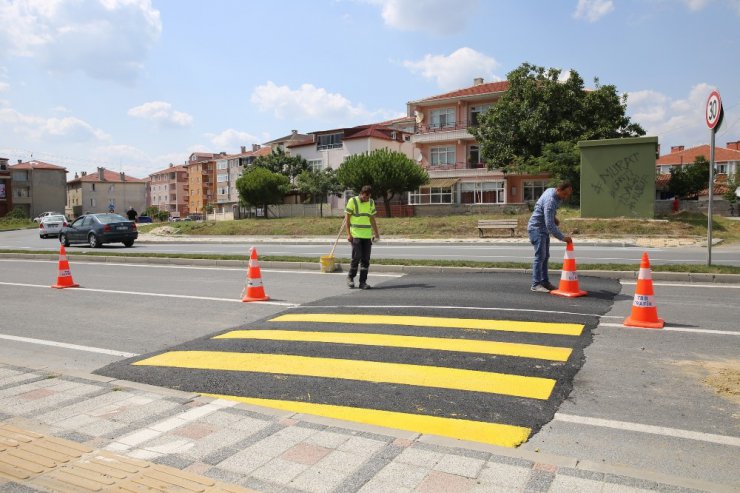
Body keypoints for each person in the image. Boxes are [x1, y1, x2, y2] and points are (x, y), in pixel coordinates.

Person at [527, 180, 573, 293]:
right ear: (558, 190)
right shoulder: (551, 201)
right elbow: (550, 225)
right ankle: (536, 284)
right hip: (537, 229)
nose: (566, 197)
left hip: (542, 229)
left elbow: (544, 211)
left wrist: (554, 217)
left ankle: (544, 282)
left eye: (568, 194)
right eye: (564, 194)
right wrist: (563, 238)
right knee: (540, 257)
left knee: (545, 256)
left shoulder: (551, 191)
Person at [345, 185, 380, 290]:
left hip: (366, 235)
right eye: (364, 197)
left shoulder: (371, 202)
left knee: (365, 259)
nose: (366, 199)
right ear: (361, 194)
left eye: (368, 197)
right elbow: (347, 219)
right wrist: (348, 234)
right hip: (355, 234)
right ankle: (350, 277)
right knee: (357, 256)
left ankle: (363, 282)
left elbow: (372, 219)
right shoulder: (353, 201)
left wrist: (377, 233)